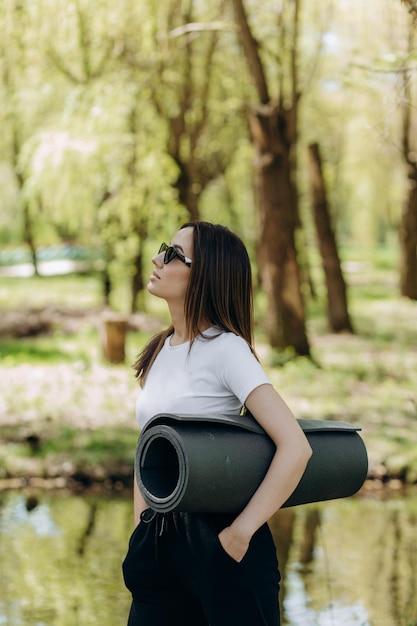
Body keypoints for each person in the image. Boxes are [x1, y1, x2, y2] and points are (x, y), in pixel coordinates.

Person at [122, 221, 312, 626]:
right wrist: (141, 530)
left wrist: (240, 533)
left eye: (174, 255)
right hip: (158, 541)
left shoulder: (227, 349)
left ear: (206, 273)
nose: (158, 260)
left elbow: (296, 447)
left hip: (221, 542)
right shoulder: (159, 349)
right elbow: (147, 450)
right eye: (163, 249)